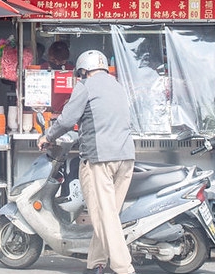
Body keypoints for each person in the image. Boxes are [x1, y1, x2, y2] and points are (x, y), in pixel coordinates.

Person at [38, 50, 135, 274]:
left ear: (83, 71)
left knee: (104, 217)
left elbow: (68, 119)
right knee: (108, 214)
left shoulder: (85, 86)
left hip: (100, 159)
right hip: (126, 158)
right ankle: (95, 264)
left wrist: (48, 136)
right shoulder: (117, 86)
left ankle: (125, 269)